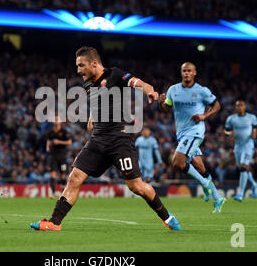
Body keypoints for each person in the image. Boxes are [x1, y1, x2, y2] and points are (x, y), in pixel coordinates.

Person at [30, 46, 181, 231]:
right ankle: (54, 222)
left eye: (81, 65)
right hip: (98, 139)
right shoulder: (87, 82)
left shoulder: (115, 74)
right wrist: (93, 118)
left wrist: (149, 90)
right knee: (74, 178)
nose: (78, 70)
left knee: (137, 187)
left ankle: (168, 217)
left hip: (120, 140)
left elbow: (138, 83)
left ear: (94, 63)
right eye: (77, 66)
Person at [159, 62, 226, 213]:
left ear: (195, 73)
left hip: (195, 131)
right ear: (181, 72)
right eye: (184, 71)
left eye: (189, 71)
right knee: (200, 167)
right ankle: (217, 197)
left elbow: (217, 105)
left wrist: (205, 115)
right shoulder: (173, 89)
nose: (186, 73)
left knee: (177, 162)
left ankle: (204, 183)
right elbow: (165, 109)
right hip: (181, 133)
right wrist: (161, 103)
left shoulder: (201, 91)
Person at [224, 100, 257, 201]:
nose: (239, 107)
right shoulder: (231, 119)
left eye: (241, 105)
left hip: (248, 145)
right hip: (238, 146)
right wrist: (229, 133)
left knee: (244, 166)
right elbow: (226, 130)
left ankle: (240, 194)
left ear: (245, 107)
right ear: (235, 107)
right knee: (242, 168)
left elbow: (256, 128)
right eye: (237, 106)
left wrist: (254, 133)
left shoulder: (251, 117)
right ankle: (254, 184)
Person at [46, 117, 72, 196]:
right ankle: (52, 194)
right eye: (55, 120)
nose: (56, 121)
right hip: (53, 156)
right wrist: (47, 147)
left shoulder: (64, 132)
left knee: (63, 175)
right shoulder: (51, 132)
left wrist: (59, 142)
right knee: (52, 174)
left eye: (57, 119)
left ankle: (64, 193)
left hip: (62, 156)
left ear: (60, 122)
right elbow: (49, 140)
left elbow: (69, 142)